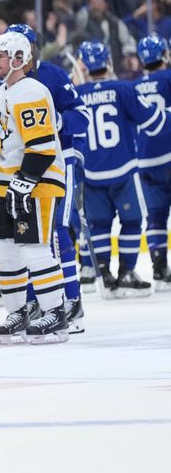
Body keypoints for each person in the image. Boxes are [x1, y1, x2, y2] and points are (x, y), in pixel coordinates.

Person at [0, 24, 90, 333]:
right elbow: (12, 137)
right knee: (4, 249)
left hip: (35, 182)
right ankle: (18, 311)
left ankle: (56, 310)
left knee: (36, 246)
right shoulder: (2, 93)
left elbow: (41, 146)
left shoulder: (33, 90)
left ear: (19, 57)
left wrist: (24, 183)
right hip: (10, 181)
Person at [76, 41, 159, 301]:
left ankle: (104, 274)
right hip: (124, 169)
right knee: (132, 222)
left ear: (84, 66)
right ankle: (127, 273)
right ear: (109, 62)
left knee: (99, 225)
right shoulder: (124, 88)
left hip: (90, 173)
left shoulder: (76, 95)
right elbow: (153, 123)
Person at [133, 36, 171, 292]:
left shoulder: (133, 86)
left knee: (155, 217)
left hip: (145, 161)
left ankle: (159, 268)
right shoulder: (168, 78)